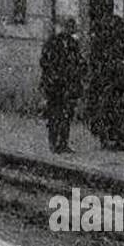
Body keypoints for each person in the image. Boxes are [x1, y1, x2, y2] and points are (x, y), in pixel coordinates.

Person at [88, 14, 124, 150]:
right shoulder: (102, 42)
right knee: (107, 113)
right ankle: (106, 139)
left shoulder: (119, 42)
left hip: (118, 83)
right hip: (106, 83)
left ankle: (116, 139)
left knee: (117, 113)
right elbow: (97, 63)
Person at [40, 16, 85, 154]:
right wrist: (53, 77)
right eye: (68, 27)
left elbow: (79, 61)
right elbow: (45, 62)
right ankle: (54, 143)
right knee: (54, 115)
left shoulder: (73, 44)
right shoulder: (52, 43)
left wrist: (79, 72)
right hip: (54, 85)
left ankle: (64, 143)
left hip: (69, 85)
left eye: (72, 28)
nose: (70, 30)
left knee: (67, 115)